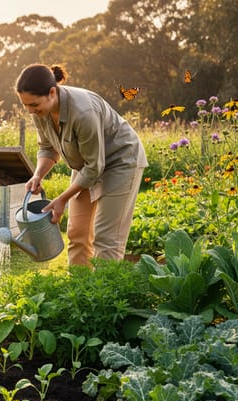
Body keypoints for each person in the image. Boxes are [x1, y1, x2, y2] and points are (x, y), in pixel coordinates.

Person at [15, 64, 147, 266]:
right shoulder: (42, 112)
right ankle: (78, 290)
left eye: (33, 105)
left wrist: (62, 199)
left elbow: (95, 167)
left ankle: (104, 295)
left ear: (52, 92)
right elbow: (48, 148)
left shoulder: (83, 111)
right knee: (77, 233)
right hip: (87, 165)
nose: (30, 111)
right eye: (26, 106)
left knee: (106, 240)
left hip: (120, 162)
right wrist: (37, 175)